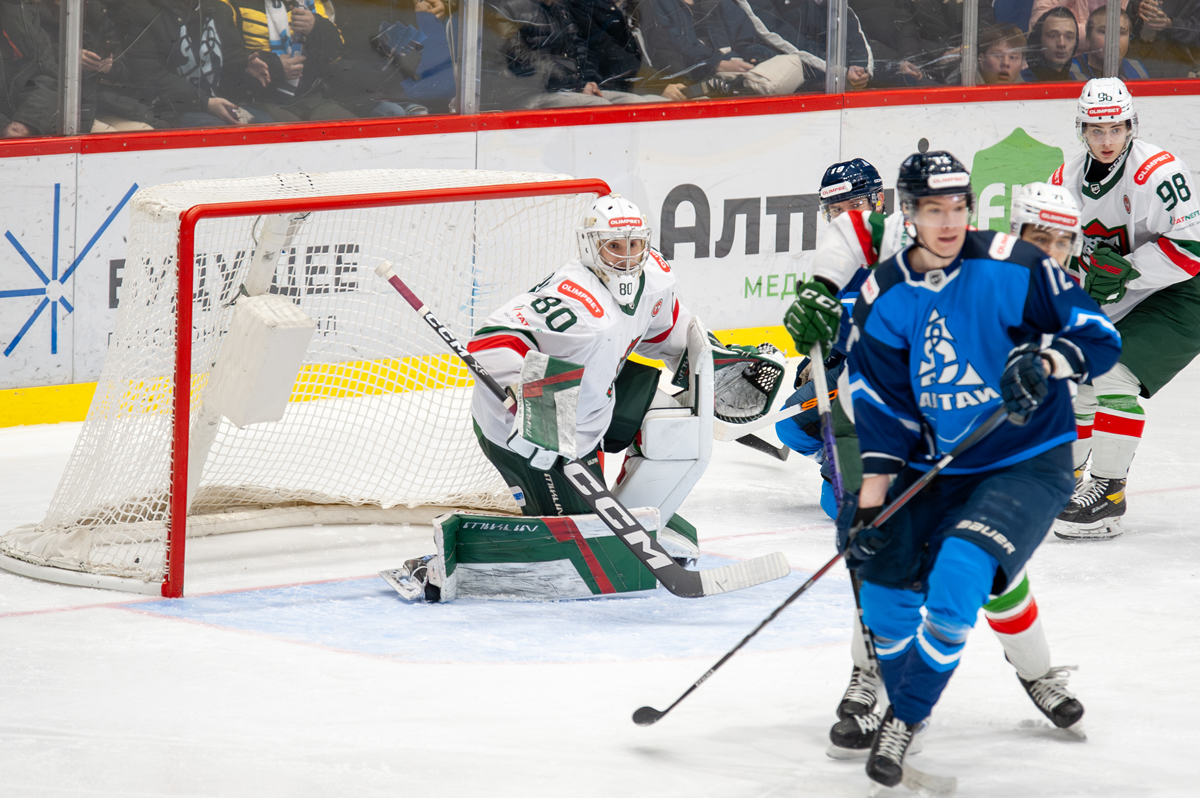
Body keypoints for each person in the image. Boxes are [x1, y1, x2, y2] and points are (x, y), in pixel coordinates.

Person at [784, 162, 1094, 758]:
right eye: (932, 207)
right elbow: (852, 234)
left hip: (975, 441)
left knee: (985, 564)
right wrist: (819, 292)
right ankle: (871, 680)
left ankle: (1035, 671)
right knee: (876, 549)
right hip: (883, 426)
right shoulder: (893, 241)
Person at [467, 193, 783, 543]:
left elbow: (667, 332)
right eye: (614, 246)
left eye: (634, 244)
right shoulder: (575, 299)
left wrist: (714, 365)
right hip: (532, 427)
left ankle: (636, 513)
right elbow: (491, 340)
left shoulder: (654, 277)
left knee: (675, 429)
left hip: (598, 396)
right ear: (590, 247)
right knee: (579, 537)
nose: (628, 257)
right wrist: (529, 404)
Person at [1051, 78, 1200, 539]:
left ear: (1131, 126)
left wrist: (1128, 271)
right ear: (1082, 130)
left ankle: (1109, 493)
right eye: (1096, 130)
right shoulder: (1065, 180)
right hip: (1127, 293)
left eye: (1116, 129)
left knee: (1112, 373)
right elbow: (1063, 255)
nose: (1107, 140)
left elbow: (1192, 250)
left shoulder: (1158, 172)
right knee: (1078, 375)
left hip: (1185, 292)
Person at [221, 0, 357, 121]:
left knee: (350, 128)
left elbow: (337, 56)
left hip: (311, 97)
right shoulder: (230, 4)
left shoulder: (313, 3)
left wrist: (316, 26)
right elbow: (221, 57)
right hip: (257, 100)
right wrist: (274, 66)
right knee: (291, 133)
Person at [1069, 5, 1149, 80]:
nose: (1113, 39)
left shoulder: (1138, 70)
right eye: (1104, 31)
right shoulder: (1070, 72)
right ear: (1088, 38)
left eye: (1121, 32)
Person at [1022, 6, 1079, 81]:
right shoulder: (1017, 83)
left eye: (1069, 37)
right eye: (1053, 36)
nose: (1061, 44)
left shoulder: (1083, 82)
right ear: (1039, 40)